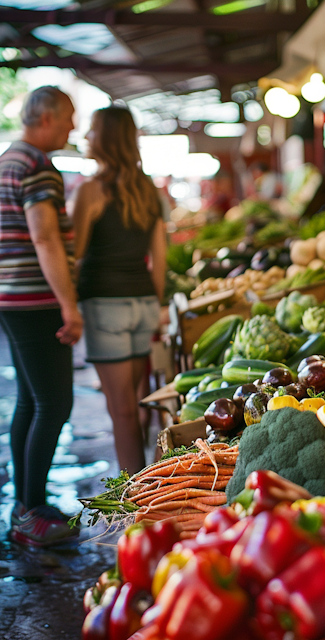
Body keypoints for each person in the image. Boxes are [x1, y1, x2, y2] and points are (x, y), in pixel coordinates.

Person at [0, 86, 83, 546]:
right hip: (36, 302)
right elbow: (45, 238)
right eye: (69, 117)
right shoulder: (37, 166)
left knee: (32, 401)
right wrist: (69, 306)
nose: (73, 127)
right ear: (46, 117)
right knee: (54, 403)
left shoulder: (7, 160)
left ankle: (27, 503)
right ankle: (31, 513)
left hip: (12, 300)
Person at [70, 106, 166, 476]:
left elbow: (75, 254)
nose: (86, 138)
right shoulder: (149, 190)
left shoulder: (90, 191)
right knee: (138, 403)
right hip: (142, 302)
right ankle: (148, 477)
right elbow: (159, 258)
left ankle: (136, 494)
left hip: (104, 306)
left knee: (122, 409)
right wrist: (154, 304)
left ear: (107, 139)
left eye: (92, 131)